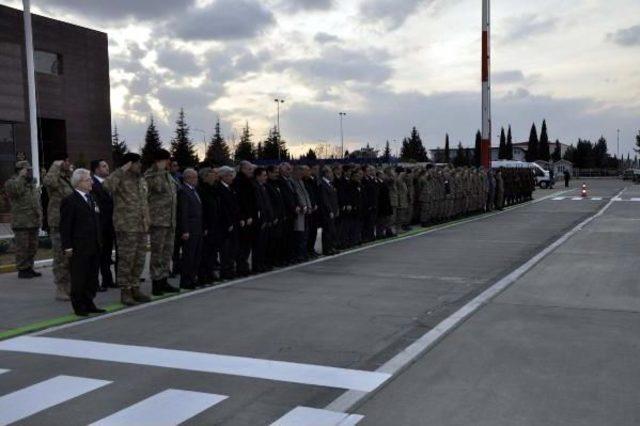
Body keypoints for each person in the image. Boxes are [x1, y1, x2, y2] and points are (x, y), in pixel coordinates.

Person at [103, 153, 151, 306]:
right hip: (126, 226)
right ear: (129, 164)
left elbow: (144, 202)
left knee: (139, 259)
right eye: (137, 163)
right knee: (126, 260)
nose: (140, 166)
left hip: (141, 226)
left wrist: (147, 220)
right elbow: (106, 186)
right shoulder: (120, 178)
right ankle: (125, 291)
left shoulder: (141, 179)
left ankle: (135, 287)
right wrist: (121, 170)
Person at [59, 168, 105, 316]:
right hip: (79, 246)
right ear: (78, 183)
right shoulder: (70, 201)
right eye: (88, 180)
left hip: (94, 244)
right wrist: (67, 246)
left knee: (92, 277)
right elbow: (65, 226)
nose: (91, 182)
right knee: (79, 277)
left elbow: (97, 221)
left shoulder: (92, 198)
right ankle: (79, 306)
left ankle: (89, 301)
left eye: (90, 179)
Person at [144, 149, 180, 296]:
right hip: (158, 221)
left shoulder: (167, 175)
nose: (168, 163)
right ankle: (156, 283)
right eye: (166, 160)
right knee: (157, 253)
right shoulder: (150, 175)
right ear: (159, 160)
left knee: (167, 252)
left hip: (170, 220)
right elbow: (155, 189)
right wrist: (158, 171)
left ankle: (164, 280)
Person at [43, 156, 74, 300]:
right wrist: (55, 166)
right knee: (61, 257)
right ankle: (61, 288)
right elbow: (48, 182)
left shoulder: (69, 178)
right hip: (58, 223)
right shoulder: (54, 178)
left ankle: (71, 286)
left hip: (72, 222)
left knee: (72, 256)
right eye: (66, 161)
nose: (69, 163)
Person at [4, 161, 42, 279]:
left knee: (33, 247)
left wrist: (39, 215)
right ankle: (22, 269)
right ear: (19, 170)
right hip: (21, 222)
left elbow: (35, 201)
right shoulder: (11, 183)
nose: (29, 172)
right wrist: (21, 177)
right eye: (27, 169)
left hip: (33, 220)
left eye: (29, 170)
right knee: (22, 247)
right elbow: (16, 191)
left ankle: (29, 267)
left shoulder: (29, 183)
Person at [90, 159, 115, 291]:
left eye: (107, 165)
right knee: (97, 256)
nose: (107, 168)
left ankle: (107, 280)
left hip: (110, 225)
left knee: (106, 255)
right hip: (99, 225)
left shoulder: (109, 183)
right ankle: (95, 283)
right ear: (96, 169)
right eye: (104, 166)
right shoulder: (92, 184)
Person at [177, 168, 203, 289]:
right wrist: (185, 230)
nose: (197, 180)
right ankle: (186, 280)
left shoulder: (193, 190)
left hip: (197, 227)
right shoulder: (184, 191)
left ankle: (192, 278)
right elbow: (184, 212)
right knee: (189, 256)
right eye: (195, 177)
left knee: (196, 256)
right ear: (188, 178)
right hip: (190, 229)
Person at [232, 161, 257, 276]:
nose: (251, 171)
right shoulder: (239, 182)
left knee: (247, 245)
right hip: (244, 218)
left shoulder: (248, 181)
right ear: (242, 169)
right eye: (249, 169)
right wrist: (244, 216)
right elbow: (240, 202)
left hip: (249, 217)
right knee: (242, 245)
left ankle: (244, 266)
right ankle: (241, 267)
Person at [216, 166, 241, 280]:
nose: (232, 178)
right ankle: (225, 271)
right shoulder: (220, 189)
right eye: (229, 175)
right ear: (223, 176)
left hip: (234, 222)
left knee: (232, 249)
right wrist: (228, 223)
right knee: (226, 250)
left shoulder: (230, 188)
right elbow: (223, 208)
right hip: (226, 224)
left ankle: (230, 269)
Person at [198, 167, 220, 284]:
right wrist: (204, 226)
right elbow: (202, 210)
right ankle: (203, 274)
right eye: (212, 174)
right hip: (206, 225)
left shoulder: (213, 189)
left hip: (214, 224)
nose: (214, 176)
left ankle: (210, 272)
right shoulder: (201, 190)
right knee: (205, 252)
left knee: (212, 251)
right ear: (205, 177)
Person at [252, 167, 274, 273]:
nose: (266, 177)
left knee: (264, 244)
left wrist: (270, 217)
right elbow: (259, 205)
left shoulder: (263, 187)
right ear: (258, 176)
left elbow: (267, 204)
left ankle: (262, 263)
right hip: (261, 220)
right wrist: (263, 219)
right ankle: (257, 265)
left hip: (266, 219)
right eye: (264, 175)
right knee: (258, 245)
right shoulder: (255, 187)